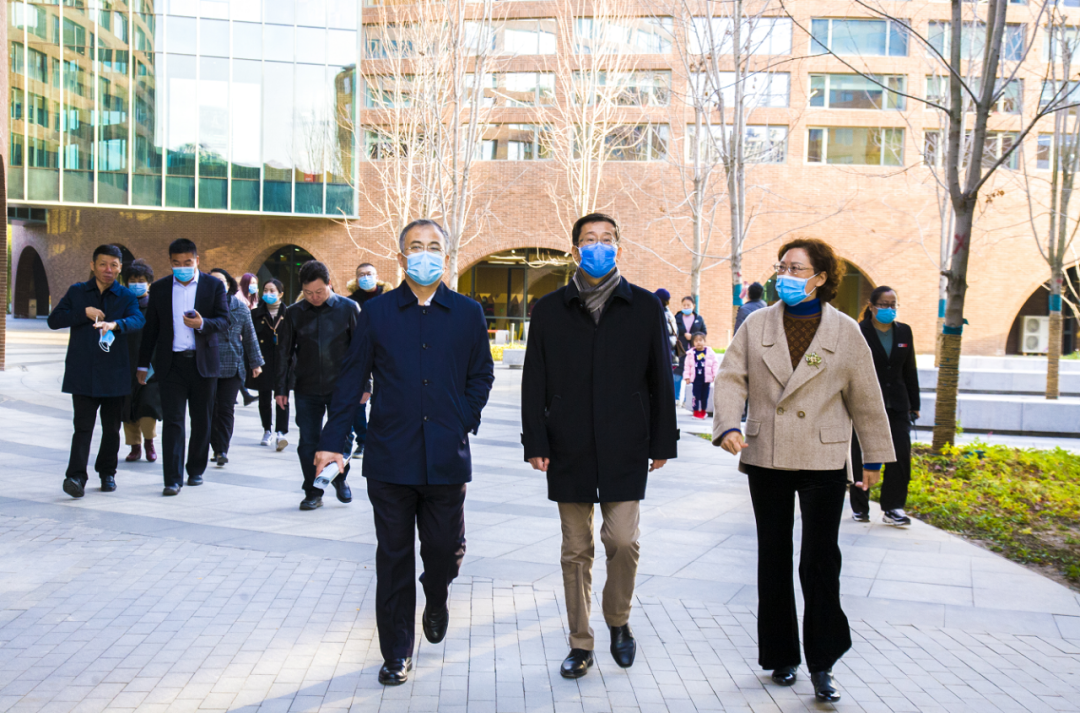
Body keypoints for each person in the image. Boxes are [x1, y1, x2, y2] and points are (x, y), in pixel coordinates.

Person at [712, 238, 894, 703]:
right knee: (772, 557)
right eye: (782, 267)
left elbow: (867, 398)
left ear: (821, 277)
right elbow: (731, 376)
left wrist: (873, 458)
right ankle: (781, 656)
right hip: (766, 455)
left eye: (797, 268)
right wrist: (728, 423)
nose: (785, 276)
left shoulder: (846, 332)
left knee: (819, 561)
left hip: (824, 458)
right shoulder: (756, 325)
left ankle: (823, 663)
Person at [314, 219, 494, 686]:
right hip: (390, 457)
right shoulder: (376, 314)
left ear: (447, 256)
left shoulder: (469, 313)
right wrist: (333, 443)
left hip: (446, 457)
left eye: (434, 246)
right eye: (416, 246)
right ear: (400, 257)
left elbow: (481, 377)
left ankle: (436, 595)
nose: (425, 254)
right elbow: (351, 380)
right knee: (393, 556)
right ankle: (397, 652)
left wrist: (462, 418)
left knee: (441, 551)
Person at [522, 213, 679, 680]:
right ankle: (580, 642)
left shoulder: (646, 307)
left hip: (625, 441)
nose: (597, 246)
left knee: (623, 541)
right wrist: (536, 439)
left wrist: (663, 440)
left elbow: (660, 379)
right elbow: (535, 380)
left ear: (619, 248)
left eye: (606, 239)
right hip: (567, 443)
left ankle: (619, 620)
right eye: (588, 240)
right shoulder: (550, 309)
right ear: (573, 250)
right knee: (575, 550)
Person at [48, 244, 145, 498]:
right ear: (93, 265)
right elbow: (54, 320)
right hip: (83, 373)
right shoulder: (78, 291)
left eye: (114, 265)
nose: (108, 270)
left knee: (112, 428)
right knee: (82, 427)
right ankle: (76, 477)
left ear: (120, 268)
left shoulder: (125, 296)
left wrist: (116, 324)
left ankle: (107, 473)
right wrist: (83, 313)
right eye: (103, 264)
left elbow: (138, 320)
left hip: (115, 373)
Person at [138, 239, 230, 496]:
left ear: (197, 261)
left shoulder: (213, 286)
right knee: (174, 422)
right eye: (176, 264)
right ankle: (172, 478)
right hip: (172, 365)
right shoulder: (160, 288)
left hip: (203, 364)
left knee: (202, 420)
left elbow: (224, 321)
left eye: (187, 263)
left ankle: (196, 470)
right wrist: (143, 364)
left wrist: (202, 323)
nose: (182, 268)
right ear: (170, 263)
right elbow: (151, 330)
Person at [276, 260, 360, 511]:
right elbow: (284, 353)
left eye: (319, 292)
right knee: (309, 442)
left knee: (343, 439)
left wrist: (365, 384)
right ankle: (312, 491)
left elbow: (362, 350)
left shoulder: (349, 308)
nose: (314, 297)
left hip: (342, 388)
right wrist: (281, 389)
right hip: (306, 387)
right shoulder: (293, 312)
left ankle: (339, 479)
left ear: (329, 284)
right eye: (308, 293)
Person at [850, 286, 920, 527]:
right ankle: (860, 507)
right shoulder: (859, 332)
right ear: (871, 306)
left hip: (897, 404)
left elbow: (909, 369)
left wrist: (914, 403)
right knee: (861, 455)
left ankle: (893, 507)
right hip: (865, 405)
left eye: (893, 304)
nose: (889, 309)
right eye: (883, 304)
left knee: (900, 457)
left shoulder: (904, 332)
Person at [209, 268, 264, 467]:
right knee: (209, 409)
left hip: (232, 364)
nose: (217, 285)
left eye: (221, 281)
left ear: (229, 284)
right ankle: (213, 444)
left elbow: (250, 336)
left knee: (225, 409)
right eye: (212, 280)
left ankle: (221, 449)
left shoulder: (240, 307)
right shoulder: (200, 306)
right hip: (206, 364)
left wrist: (256, 362)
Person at [346, 263, 389, 457]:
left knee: (382, 399)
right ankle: (362, 440)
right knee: (358, 399)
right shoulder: (350, 302)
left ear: (377, 275)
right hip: (359, 355)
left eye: (369, 274)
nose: (366, 277)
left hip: (385, 356)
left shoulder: (388, 299)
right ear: (356, 279)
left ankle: (377, 438)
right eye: (361, 274)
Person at [122, 259, 162, 463]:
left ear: (148, 283)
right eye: (132, 280)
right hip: (125, 362)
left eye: (141, 280)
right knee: (127, 407)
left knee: (148, 406)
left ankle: (149, 442)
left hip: (151, 365)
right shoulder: (122, 305)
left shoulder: (156, 305)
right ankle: (134, 446)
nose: (136, 283)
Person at [249, 278, 290, 451]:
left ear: (281, 293)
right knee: (264, 398)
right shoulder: (255, 314)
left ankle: (281, 431)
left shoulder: (289, 314)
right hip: (263, 360)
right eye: (265, 290)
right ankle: (267, 429)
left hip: (283, 360)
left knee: (282, 397)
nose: (268, 294)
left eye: (272, 291)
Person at [654, 288, 683, 403]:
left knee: (662, 383)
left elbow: (661, 336)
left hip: (666, 356)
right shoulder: (668, 314)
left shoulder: (662, 315)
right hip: (671, 356)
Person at [683, 331, 720, 419]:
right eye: (696, 341)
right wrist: (687, 377)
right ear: (693, 342)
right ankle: (696, 412)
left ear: (704, 341)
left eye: (700, 340)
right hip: (696, 379)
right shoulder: (690, 354)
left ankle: (703, 412)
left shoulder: (710, 353)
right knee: (696, 396)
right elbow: (687, 366)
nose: (698, 342)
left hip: (706, 379)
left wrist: (715, 375)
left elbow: (715, 364)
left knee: (704, 396)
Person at [236, 273, 260, 406]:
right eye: (251, 283)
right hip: (238, 338)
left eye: (255, 283)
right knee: (239, 366)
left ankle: (244, 394)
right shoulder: (239, 298)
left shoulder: (253, 298)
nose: (254, 286)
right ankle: (245, 394)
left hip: (248, 337)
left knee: (241, 367)